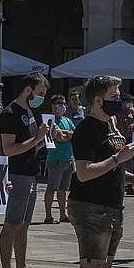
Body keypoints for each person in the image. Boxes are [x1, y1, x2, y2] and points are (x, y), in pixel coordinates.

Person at [67, 75, 134, 268]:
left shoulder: (111, 126)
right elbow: (84, 173)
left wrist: (130, 176)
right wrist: (117, 160)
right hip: (90, 207)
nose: (118, 100)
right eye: (113, 95)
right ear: (97, 100)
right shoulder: (86, 129)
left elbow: (110, 165)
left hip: (112, 206)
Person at [0, 73, 50, 268]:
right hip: (17, 174)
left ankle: (21, 267)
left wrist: (43, 141)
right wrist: (37, 138)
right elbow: (9, 149)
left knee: (24, 224)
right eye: (40, 94)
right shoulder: (10, 113)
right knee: (12, 223)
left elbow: (29, 145)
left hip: (31, 172)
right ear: (28, 90)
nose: (41, 98)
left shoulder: (29, 111)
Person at [43, 93, 76, 224]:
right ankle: (48, 215)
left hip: (68, 158)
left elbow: (75, 134)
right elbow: (59, 138)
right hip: (55, 159)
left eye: (64, 104)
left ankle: (63, 214)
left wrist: (66, 134)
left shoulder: (67, 120)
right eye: (60, 104)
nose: (63, 106)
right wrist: (67, 135)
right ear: (53, 107)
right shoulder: (50, 121)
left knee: (63, 189)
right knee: (52, 188)